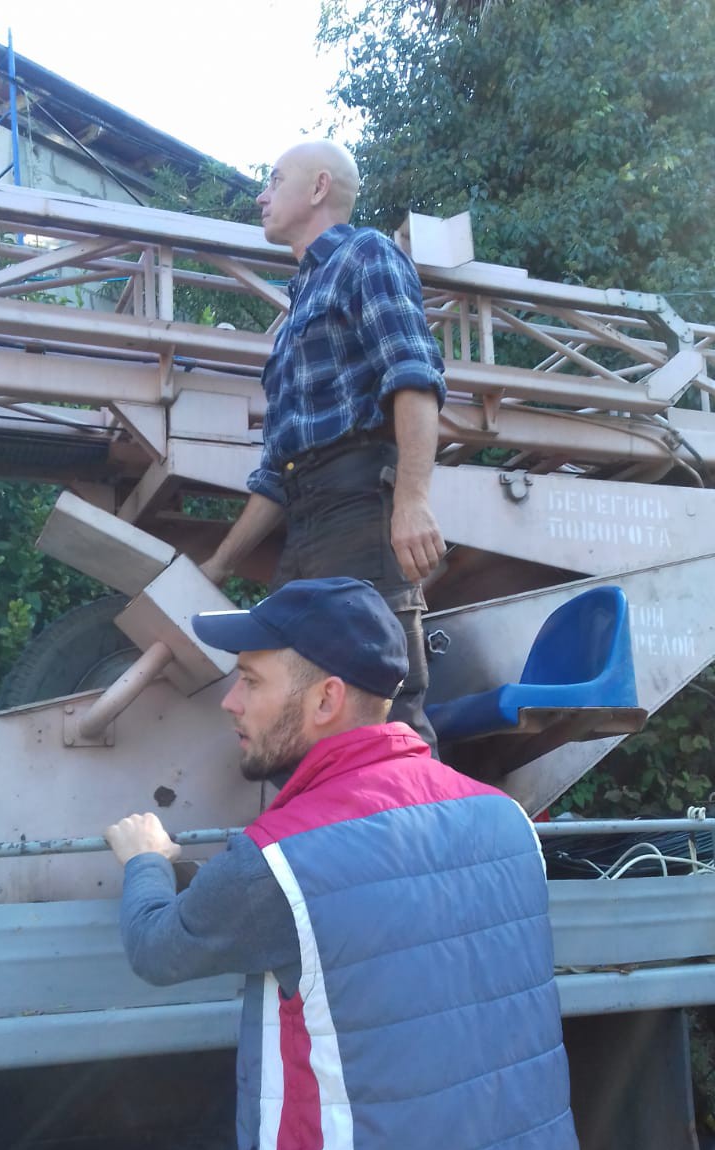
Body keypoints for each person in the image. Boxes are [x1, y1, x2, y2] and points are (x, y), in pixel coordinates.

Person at [105, 576, 600, 1150]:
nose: (229, 701)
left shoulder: (277, 862)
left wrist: (147, 862)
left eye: (251, 680)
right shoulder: (505, 820)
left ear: (326, 700)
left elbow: (158, 948)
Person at [201, 139, 447, 753]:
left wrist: (412, 501)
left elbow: (413, 378)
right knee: (292, 711)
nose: (260, 196)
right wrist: (221, 563)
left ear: (317, 189)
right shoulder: (296, 310)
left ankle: (417, 818)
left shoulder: (367, 255)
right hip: (306, 521)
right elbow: (276, 473)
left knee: (381, 711)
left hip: (359, 507)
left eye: (274, 180)